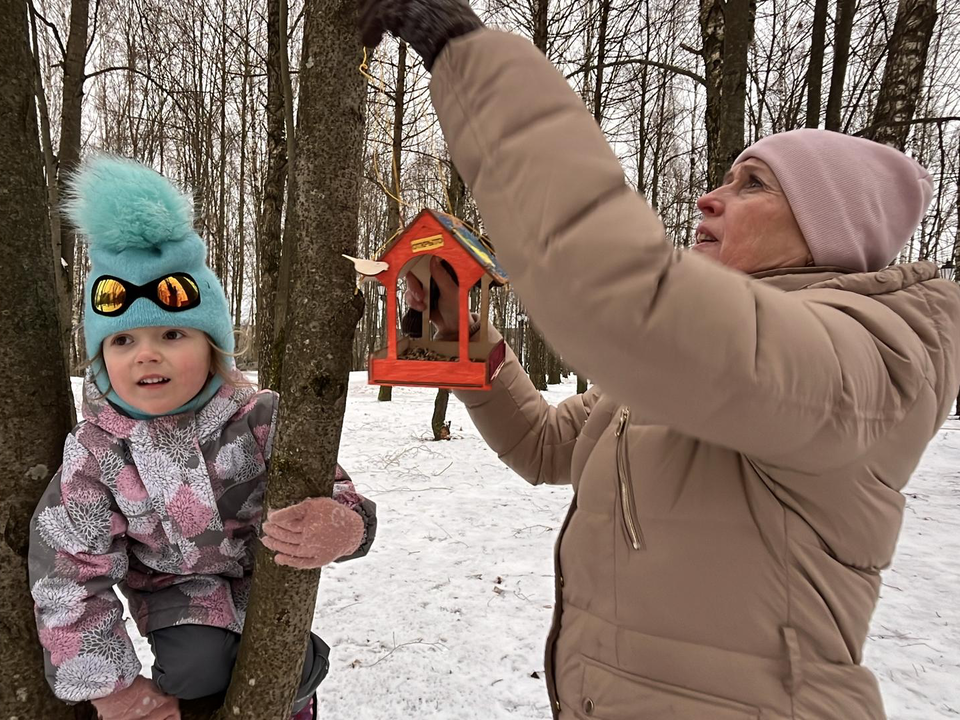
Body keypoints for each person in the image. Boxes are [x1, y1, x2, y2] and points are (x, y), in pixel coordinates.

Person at [359, 4, 960, 720]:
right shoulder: (694, 366)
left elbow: (627, 304)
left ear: (829, 229)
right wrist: (475, 347)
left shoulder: (870, 356)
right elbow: (547, 444)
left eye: (752, 185)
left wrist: (471, 63)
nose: (708, 198)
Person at [28, 156, 377, 720]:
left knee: (287, 665)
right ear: (100, 358)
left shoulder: (258, 418)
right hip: (174, 601)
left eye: (171, 333)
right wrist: (111, 687)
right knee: (196, 669)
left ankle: (296, 687)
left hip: (266, 590)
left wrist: (346, 523)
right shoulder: (98, 452)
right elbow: (69, 570)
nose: (146, 354)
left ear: (211, 345)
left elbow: (334, 490)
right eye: (122, 342)